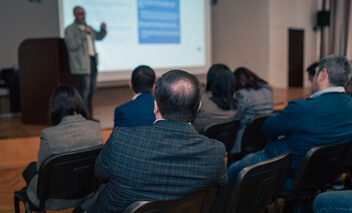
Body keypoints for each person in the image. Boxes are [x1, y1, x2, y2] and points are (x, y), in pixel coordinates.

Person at [89, 70, 228, 213]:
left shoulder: (121, 140)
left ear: (155, 106)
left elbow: (100, 174)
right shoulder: (215, 153)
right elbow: (220, 192)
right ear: (198, 107)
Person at [227, 55, 352, 191]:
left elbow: (267, 128)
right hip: (324, 175)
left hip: (285, 171)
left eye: (316, 73)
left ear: (323, 74)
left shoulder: (303, 108)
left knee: (232, 171)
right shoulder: (351, 106)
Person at [23, 85, 103, 210]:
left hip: (53, 201)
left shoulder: (48, 135)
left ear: (53, 106)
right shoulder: (95, 128)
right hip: (89, 194)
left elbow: (41, 169)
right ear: (78, 102)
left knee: (30, 169)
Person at [64, 6, 107, 114]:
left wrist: (103, 29)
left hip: (92, 62)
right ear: (75, 15)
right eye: (80, 14)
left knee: (92, 90)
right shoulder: (70, 29)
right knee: (85, 91)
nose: (83, 16)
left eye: (84, 13)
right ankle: (83, 116)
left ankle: (88, 114)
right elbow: (71, 45)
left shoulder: (88, 27)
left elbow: (99, 36)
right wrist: (83, 34)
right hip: (81, 65)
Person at [231, 67, 274, 154]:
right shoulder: (268, 90)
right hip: (264, 136)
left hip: (246, 138)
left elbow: (237, 118)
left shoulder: (242, 94)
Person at [192, 64, 237, 133]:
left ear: (210, 80)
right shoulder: (236, 106)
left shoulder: (201, 101)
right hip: (221, 143)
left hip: (197, 141)